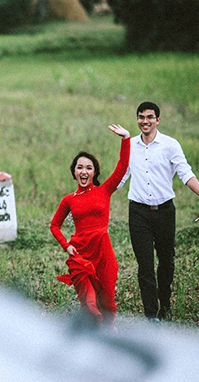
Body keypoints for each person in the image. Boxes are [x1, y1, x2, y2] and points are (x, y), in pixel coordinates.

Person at [117, 101, 199, 321]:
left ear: (158, 120)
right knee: (145, 265)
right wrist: (95, 193)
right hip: (138, 212)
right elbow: (121, 176)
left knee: (166, 261)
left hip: (164, 212)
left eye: (150, 117)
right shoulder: (130, 145)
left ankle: (165, 304)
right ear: (137, 119)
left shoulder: (170, 145)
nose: (145, 121)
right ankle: (151, 315)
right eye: (141, 117)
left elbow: (185, 173)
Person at [50, 124, 130, 327]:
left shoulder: (105, 190)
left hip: (103, 253)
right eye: (80, 167)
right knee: (89, 302)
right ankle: (92, 332)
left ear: (94, 172)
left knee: (108, 301)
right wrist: (66, 246)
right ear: (74, 172)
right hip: (81, 255)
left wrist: (125, 139)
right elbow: (54, 225)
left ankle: (108, 331)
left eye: (88, 167)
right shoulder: (69, 199)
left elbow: (122, 167)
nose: (84, 171)